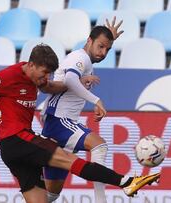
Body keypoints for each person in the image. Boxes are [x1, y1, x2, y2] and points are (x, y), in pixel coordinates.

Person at [0, 44, 160, 203]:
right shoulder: (8, 76)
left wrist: (78, 82)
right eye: (44, 73)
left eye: (49, 73)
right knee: (71, 161)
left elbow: (53, 86)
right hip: (19, 139)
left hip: (12, 150)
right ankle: (127, 182)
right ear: (31, 65)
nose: (46, 78)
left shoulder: (37, 79)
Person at [40, 18, 158, 203]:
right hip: (59, 120)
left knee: (49, 196)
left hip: (57, 124)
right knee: (99, 145)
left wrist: (108, 38)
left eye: (107, 49)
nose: (103, 53)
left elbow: (71, 80)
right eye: (100, 47)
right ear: (89, 41)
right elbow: (70, 80)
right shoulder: (80, 57)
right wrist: (96, 100)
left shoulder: (85, 60)